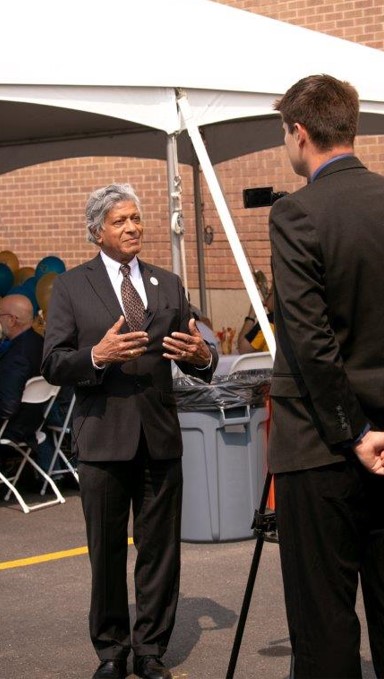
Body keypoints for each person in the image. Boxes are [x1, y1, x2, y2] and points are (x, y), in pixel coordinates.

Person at [267, 74, 384, 678]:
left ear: (299, 133)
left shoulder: (297, 212)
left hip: (324, 448)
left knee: (324, 622)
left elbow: (311, 341)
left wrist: (354, 432)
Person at [41, 183, 218, 679]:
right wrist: (97, 356)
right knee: (107, 550)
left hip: (160, 437)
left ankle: (151, 650)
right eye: (121, 221)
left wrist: (204, 357)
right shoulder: (73, 287)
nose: (134, 227)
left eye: (137, 218)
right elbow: (53, 362)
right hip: (102, 438)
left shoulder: (167, 282)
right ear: (97, 232)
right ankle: (112, 651)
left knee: (160, 551)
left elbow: (200, 351)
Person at [0, 294, 45, 458]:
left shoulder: (18, 356)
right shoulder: (39, 342)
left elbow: (6, 408)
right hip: (35, 423)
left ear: (12, 320)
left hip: (13, 430)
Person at [237, 287, 274, 354]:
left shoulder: (267, 323)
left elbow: (243, 350)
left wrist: (251, 316)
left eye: (269, 294)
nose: (266, 298)